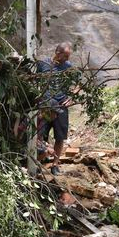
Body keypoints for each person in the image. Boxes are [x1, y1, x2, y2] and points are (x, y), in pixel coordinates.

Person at [36, 42, 74, 176]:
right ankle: (38, 162)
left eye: (68, 56)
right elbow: (33, 80)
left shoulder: (69, 67)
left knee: (60, 137)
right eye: (65, 56)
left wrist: (71, 97)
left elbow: (77, 83)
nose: (67, 59)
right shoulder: (43, 64)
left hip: (61, 106)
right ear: (57, 53)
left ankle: (55, 165)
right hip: (46, 106)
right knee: (40, 135)